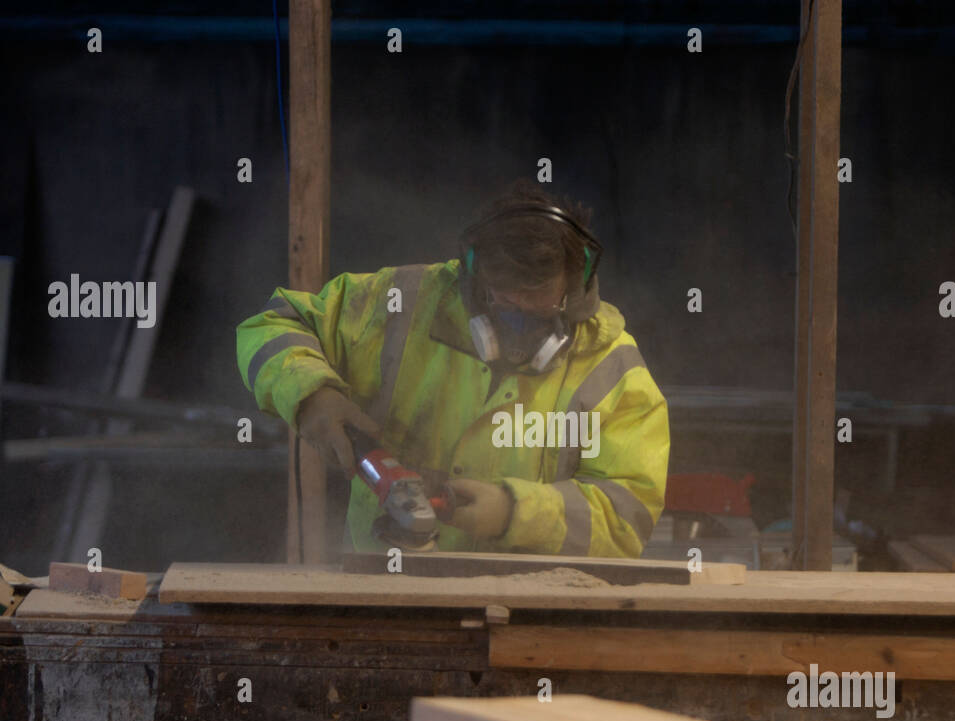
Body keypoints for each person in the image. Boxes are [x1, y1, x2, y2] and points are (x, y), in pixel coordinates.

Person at [236, 181, 669, 557]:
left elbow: (626, 516)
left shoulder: (612, 369)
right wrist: (312, 395)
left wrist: (514, 512)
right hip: (385, 594)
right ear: (476, 279)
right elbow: (275, 323)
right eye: (503, 303)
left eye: (535, 309)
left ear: (573, 291)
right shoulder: (403, 304)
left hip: (527, 616)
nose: (516, 326)